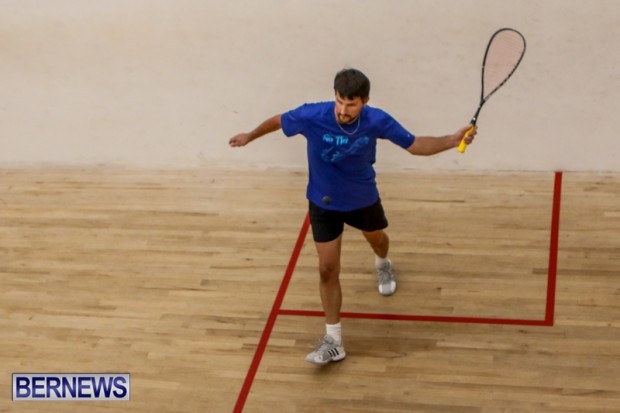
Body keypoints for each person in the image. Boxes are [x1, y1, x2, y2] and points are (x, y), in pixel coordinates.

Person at [229, 68, 476, 366]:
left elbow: (415, 145)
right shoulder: (312, 115)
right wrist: (250, 135)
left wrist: (452, 139)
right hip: (322, 201)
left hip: (361, 199)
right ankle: (334, 341)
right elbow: (279, 120)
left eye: (351, 104)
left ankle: (383, 263)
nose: (343, 111)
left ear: (365, 102)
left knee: (377, 240)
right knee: (327, 269)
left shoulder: (377, 120)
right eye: (340, 102)